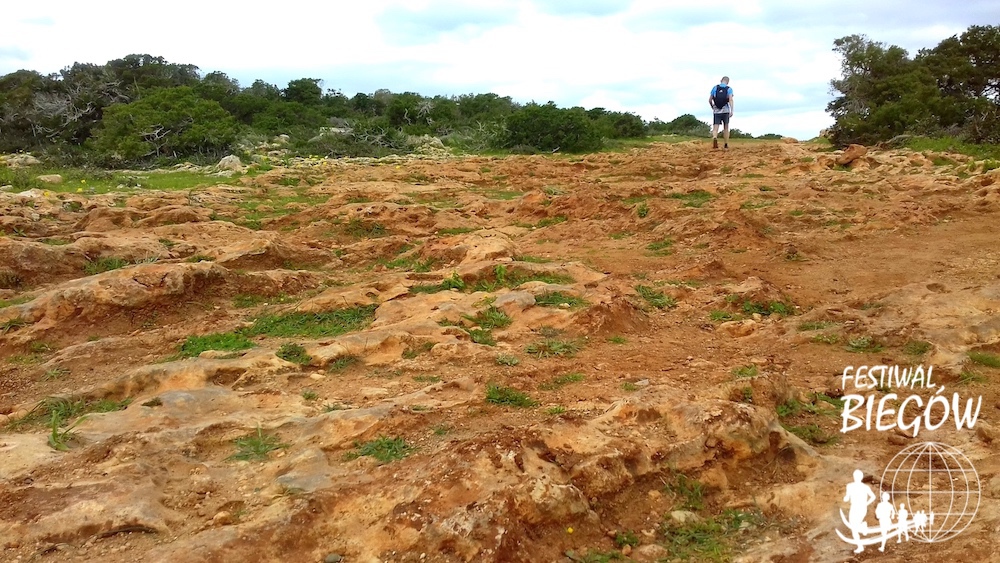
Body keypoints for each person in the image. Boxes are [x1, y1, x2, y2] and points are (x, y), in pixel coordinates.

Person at [844, 469, 877, 553]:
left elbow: (873, 497)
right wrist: (846, 498)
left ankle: (862, 527)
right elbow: (847, 497)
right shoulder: (851, 486)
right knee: (853, 527)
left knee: (854, 528)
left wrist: (866, 503)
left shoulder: (862, 487)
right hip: (855, 507)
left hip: (859, 507)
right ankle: (862, 527)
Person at [709, 76, 734, 149]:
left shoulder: (715, 88)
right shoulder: (729, 89)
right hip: (725, 110)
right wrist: (731, 110)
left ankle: (715, 137)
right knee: (726, 127)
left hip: (716, 110)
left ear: (721, 80)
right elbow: (730, 100)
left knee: (715, 127)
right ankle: (726, 144)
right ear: (727, 82)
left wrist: (712, 107)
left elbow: (710, 100)